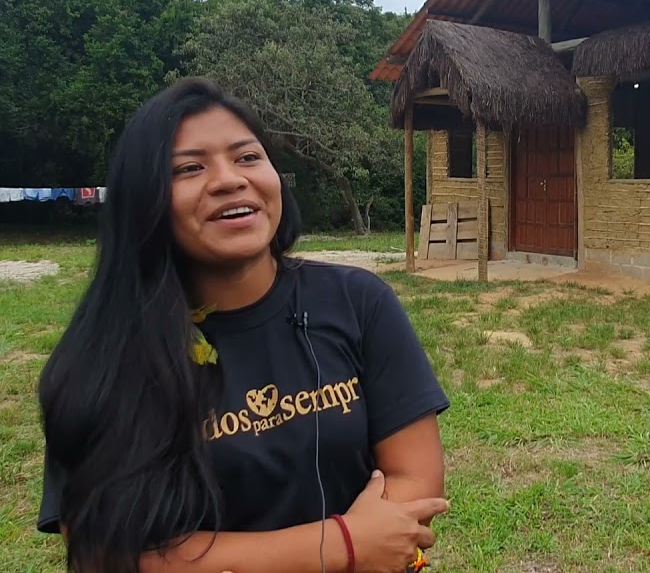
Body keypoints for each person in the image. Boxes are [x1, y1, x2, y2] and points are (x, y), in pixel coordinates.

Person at [36, 77, 451, 573]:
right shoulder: (105, 352)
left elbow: (416, 481)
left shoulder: (358, 302)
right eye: (189, 168)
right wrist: (339, 545)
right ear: (144, 199)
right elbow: (103, 549)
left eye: (248, 157)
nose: (229, 179)